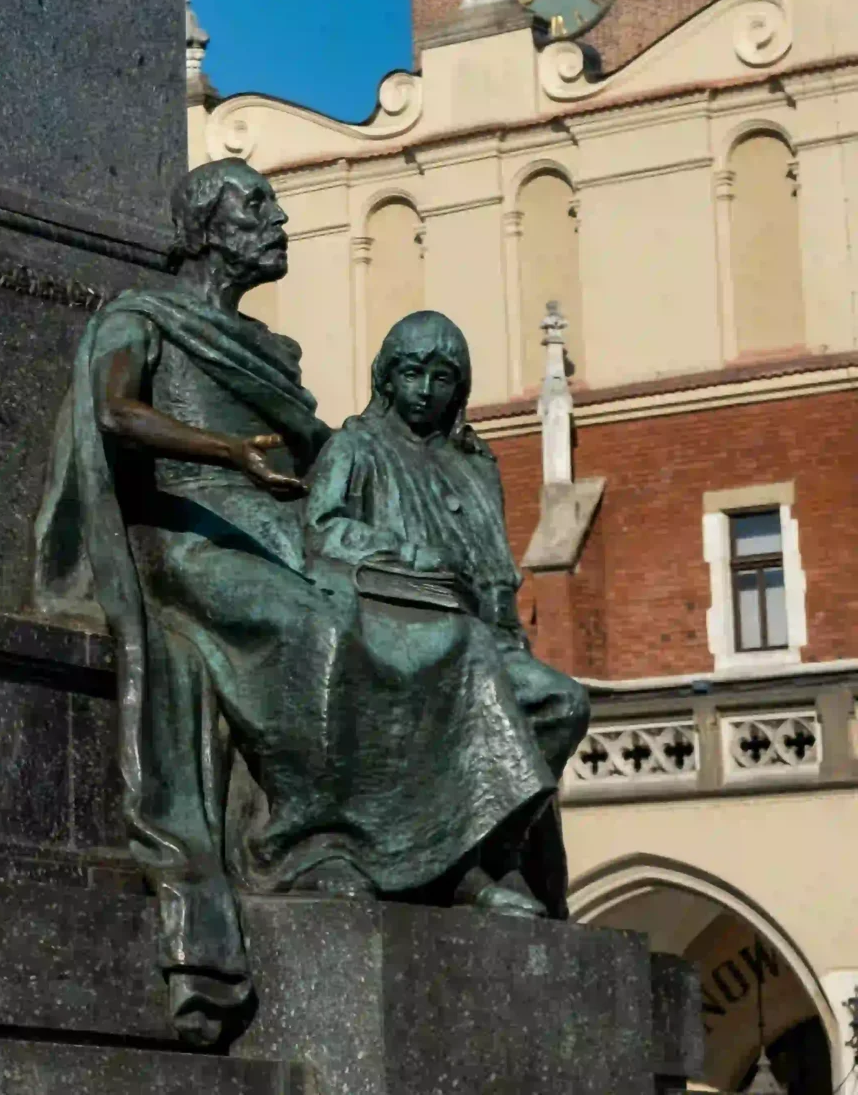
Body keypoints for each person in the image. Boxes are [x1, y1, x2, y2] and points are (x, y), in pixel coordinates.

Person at [35, 162, 591, 1048]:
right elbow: (112, 411)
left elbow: (327, 467)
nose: (278, 217)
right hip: (189, 534)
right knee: (320, 631)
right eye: (257, 204)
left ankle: (443, 857)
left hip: (283, 532)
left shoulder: (271, 353)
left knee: (436, 637)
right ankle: (304, 843)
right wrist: (226, 451)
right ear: (208, 227)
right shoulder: (140, 318)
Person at [303, 309, 589, 919]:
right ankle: (467, 872)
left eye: (441, 379)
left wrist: (508, 625)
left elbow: (497, 565)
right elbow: (321, 531)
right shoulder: (355, 448)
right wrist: (402, 552)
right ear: (386, 378)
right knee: (472, 667)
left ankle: (490, 849)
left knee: (563, 703)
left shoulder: (476, 465)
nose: (425, 391)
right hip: (396, 632)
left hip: (485, 638)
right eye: (412, 374)